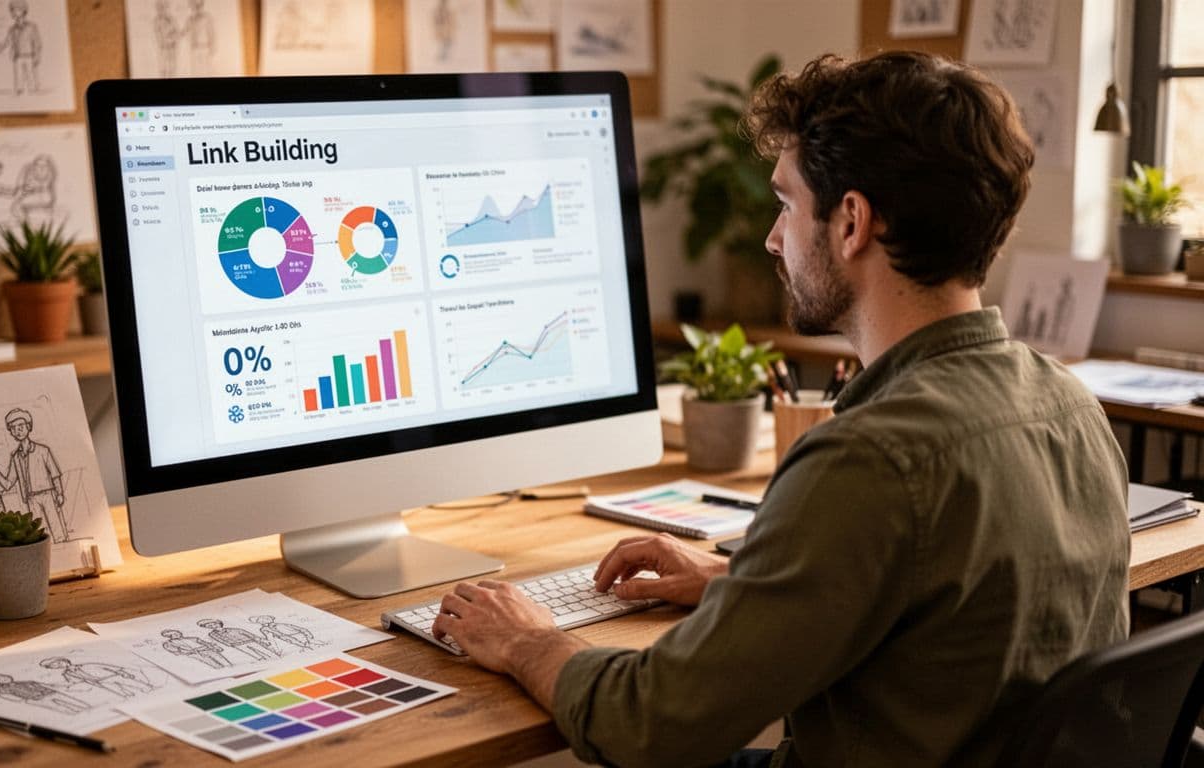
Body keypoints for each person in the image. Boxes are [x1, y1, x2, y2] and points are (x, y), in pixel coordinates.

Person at [431, 51, 1130, 767]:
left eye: (786, 204)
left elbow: (652, 725)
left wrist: (529, 642)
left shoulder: (870, 458)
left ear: (852, 221)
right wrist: (742, 589)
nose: (771, 237)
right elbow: (942, 609)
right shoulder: (1069, 404)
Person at [3, 408, 68, 542]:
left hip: (47, 493)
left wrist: (60, 493)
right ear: (11, 432)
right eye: (13, 428)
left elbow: (55, 474)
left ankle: (63, 545)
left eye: (21, 426)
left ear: (28, 427)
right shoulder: (15, 457)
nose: (18, 430)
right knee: (39, 530)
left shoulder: (43, 450)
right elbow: (9, 482)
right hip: (30, 497)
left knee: (55, 524)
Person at [39, 657, 154, 698]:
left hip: (112, 676)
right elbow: (74, 682)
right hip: (100, 682)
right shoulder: (67, 674)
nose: (57, 667)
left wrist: (122, 672)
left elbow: (105, 666)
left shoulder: (87, 665)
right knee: (121, 691)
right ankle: (131, 697)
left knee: (134, 684)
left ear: (64, 661)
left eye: (58, 663)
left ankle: (149, 689)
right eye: (53, 667)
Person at [3, 0, 41, 95]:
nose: (13, 12)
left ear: (23, 11)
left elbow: (37, 42)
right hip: (18, 56)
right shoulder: (12, 29)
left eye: (16, 10)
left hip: (29, 55)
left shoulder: (32, 27)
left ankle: (33, 89)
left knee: (30, 73)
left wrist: (37, 55)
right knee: (18, 74)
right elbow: (8, 42)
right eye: (12, 10)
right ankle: (19, 89)